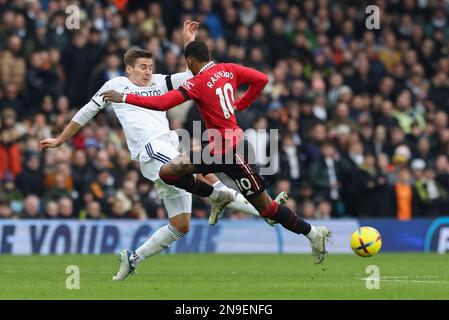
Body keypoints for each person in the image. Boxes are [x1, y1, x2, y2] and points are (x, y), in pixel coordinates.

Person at [40, 22, 282, 281]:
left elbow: (201, 74)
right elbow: (87, 111)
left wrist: (189, 40)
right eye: (143, 67)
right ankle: (263, 211)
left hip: (170, 146)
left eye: (150, 67)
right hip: (150, 151)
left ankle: (133, 259)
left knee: (181, 225)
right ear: (129, 69)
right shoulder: (116, 85)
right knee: (205, 174)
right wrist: (60, 139)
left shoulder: (161, 82)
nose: (148, 72)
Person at [101, 40, 332, 278]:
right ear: (209, 55)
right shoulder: (228, 69)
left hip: (230, 152)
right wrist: (239, 105)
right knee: (169, 172)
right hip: (218, 147)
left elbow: (162, 103)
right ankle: (217, 196)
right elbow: (262, 79)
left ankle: (314, 233)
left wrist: (125, 98)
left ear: (189, 62)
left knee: (267, 208)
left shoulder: (197, 83)